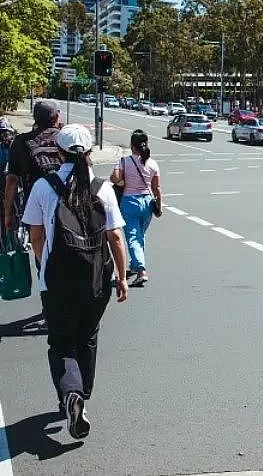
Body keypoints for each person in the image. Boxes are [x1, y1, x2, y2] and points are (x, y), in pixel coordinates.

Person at [21, 124, 128, 440]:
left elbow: (36, 236)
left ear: (57, 152)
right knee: (88, 338)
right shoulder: (102, 188)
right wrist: (121, 278)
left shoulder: (44, 186)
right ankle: (82, 395)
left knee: (61, 342)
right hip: (96, 279)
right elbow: (116, 237)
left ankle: (71, 394)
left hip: (57, 282)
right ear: (90, 153)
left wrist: (44, 265)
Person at [110, 129, 162, 286]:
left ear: (132, 145)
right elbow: (157, 188)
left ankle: (141, 270)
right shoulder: (152, 163)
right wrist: (159, 206)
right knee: (139, 236)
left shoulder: (124, 161)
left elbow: (115, 178)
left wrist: (119, 177)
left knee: (133, 237)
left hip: (129, 202)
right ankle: (134, 265)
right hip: (147, 203)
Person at [4, 100, 63, 233]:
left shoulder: (21, 141)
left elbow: (12, 181)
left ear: (35, 118)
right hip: (66, 206)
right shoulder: (65, 138)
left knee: (40, 248)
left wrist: (8, 213)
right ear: (57, 117)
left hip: (36, 206)